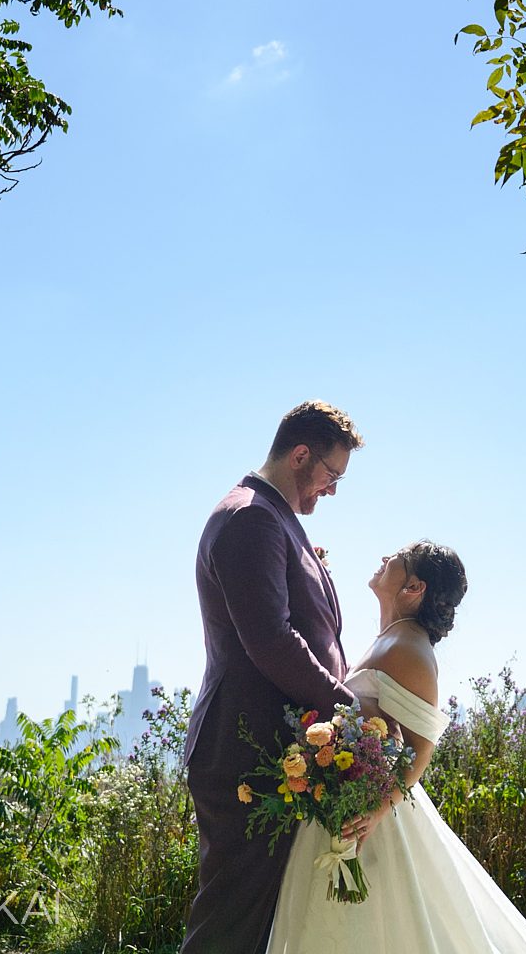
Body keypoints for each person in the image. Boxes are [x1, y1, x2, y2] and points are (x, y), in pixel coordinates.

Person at [267, 541, 526, 954]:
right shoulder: (391, 638)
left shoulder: (412, 648)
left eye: (396, 562)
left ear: (414, 588)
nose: (384, 559)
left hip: (377, 821)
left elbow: (422, 747)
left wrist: (377, 811)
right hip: (345, 803)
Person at [181, 400, 365, 954]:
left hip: (270, 746)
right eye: (331, 474)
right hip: (242, 748)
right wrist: (348, 709)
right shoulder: (252, 518)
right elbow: (272, 641)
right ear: (300, 455)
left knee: (263, 925)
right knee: (231, 922)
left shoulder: (276, 518)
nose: (332, 491)